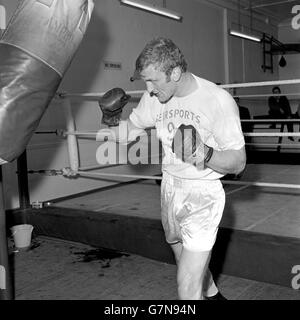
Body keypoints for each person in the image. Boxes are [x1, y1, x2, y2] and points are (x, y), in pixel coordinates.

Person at [99, 37, 246, 300]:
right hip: (169, 189)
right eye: (145, 81)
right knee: (186, 263)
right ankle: (214, 296)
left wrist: (204, 153)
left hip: (203, 195)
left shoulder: (217, 100)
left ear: (175, 72)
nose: (149, 89)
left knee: (187, 284)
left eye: (153, 80)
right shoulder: (154, 97)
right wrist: (111, 119)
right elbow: (128, 133)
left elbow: (238, 162)